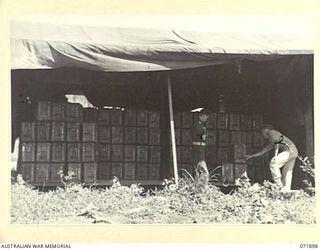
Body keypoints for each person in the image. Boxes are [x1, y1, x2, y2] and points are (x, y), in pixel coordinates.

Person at [244, 124, 298, 191]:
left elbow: (277, 143)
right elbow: (264, 151)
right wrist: (251, 156)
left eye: (262, 132)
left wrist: (275, 155)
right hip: (294, 151)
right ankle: (286, 189)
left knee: (273, 162)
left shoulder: (271, 132)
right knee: (287, 171)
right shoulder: (272, 142)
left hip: (290, 150)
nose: (262, 134)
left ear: (265, 130)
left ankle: (279, 185)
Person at [192, 109, 209, 183]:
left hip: (200, 147)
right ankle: (202, 182)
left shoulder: (201, 124)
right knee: (201, 165)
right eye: (205, 116)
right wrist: (205, 136)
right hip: (199, 147)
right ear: (201, 116)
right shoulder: (198, 125)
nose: (206, 118)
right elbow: (200, 136)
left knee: (198, 166)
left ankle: (198, 181)